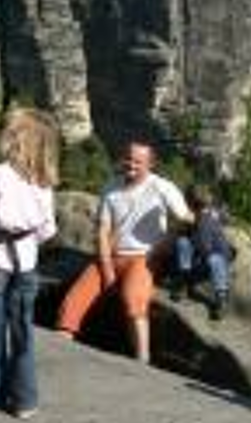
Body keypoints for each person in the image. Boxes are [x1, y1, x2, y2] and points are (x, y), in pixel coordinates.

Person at [56, 140, 193, 363]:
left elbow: (186, 218)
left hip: (143, 257)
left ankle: (142, 358)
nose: (131, 165)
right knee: (76, 295)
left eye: (138, 161)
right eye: (129, 159)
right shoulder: (111, 186)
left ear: (150, 164)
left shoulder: (161, 187)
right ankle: (60, 342)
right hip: (112, 255)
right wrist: (107, 268)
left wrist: (163, 245)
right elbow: (102, 231)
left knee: (133, 299)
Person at [0, 108, 59, 419]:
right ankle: (25, 400)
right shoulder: (44, 183)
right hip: (27, 264)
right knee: (22, 332)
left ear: (12, 140)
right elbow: (48, 230)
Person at [169, 184, 233, 320]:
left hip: (213, 258)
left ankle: (221, 297)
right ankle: (184, 280)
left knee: (215, 260)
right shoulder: (195, 218)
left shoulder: (208, 219)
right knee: (183, 242)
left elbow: (205, 246)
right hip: (199, 259)